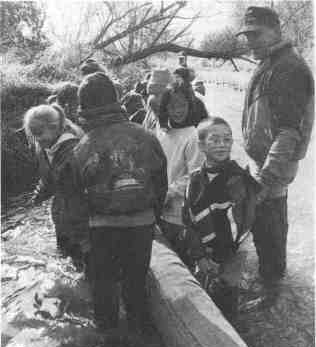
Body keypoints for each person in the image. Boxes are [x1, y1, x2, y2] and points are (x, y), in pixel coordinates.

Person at [69, 72, 168, 333]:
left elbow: (75, 198)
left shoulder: (82, 147)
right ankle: (140, 332)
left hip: (101, 229)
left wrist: (82, 240)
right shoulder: (146, 136)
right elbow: (161, 183)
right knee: (136, 283)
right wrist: (153, 216)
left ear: (84, 108)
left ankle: (109, 340)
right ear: (116, 99)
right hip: (142, 224)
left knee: (104, 288)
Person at [236, 6, 314, 304]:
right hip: (266, 163)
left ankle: (272, 296)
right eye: (247, 35)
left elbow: (289, 132)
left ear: (276, 31)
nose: (250, 41)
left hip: (273, 168)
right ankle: (271, 290)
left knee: (270, 230)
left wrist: (265, 181)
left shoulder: (288, 68)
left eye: (256, 34)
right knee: (267, 228)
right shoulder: (273, 61)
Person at [182, 117, 260, 322]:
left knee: (227, 289)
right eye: (214, 140)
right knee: (203, 290)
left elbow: (242, 225)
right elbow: (188, 220)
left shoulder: (238, 179)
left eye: (227, 139)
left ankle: (233, 326)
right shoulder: (194, 180)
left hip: (233, 248)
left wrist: (217, 257)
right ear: (201, 146)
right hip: (206, 247)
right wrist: (199, 255)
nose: (222, 145)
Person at [23, 104, 89, 267]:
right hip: (64, 218)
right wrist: (36, 198)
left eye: (39, 133)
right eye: (33, 134)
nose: (37, 138)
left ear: (55, 127)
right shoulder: (47, 147)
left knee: (83, 263)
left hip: (80, 221)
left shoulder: (74, 149)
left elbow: (85, 190)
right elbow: (48, 180)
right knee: (69, 261)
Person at [157, 70, 205, 266]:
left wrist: (169, 193)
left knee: (184, 259)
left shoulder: (193, 135)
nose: (177, 111)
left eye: (182, 105)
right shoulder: (163, 133)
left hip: (182, 213)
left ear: (190, 105)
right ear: (165, 108)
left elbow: (196, 174)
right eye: (172, 106)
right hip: (161, 208)